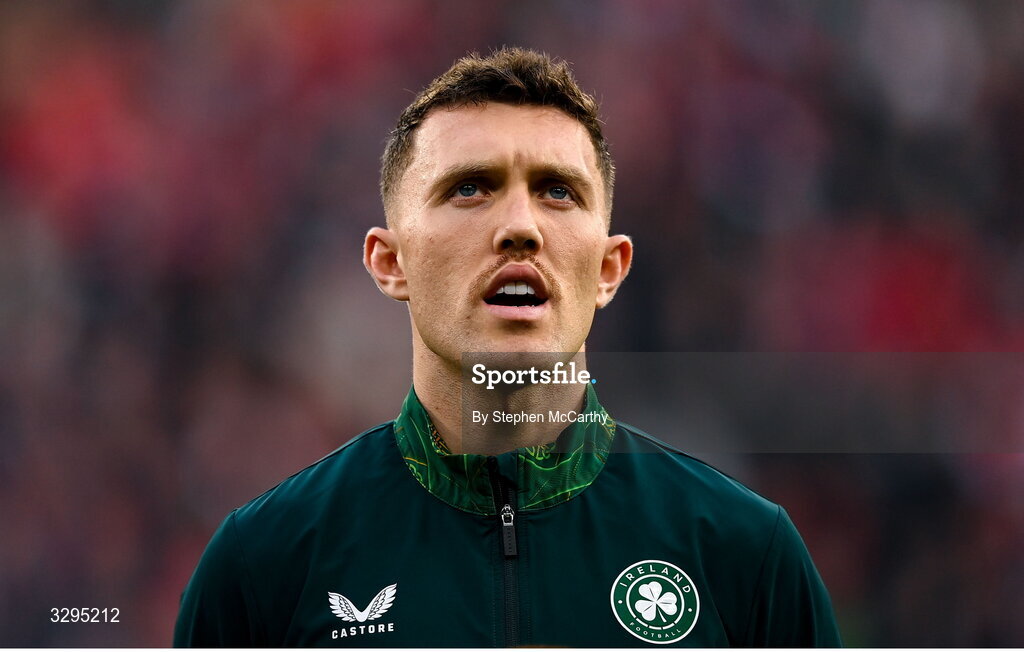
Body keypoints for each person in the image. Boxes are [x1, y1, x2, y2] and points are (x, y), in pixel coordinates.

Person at [173, 47, 841, 647]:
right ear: (389, 262)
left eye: (557, 191)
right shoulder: (262, 566)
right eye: (470, 188)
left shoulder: (746, 555)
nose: (519, 226)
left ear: (609, 269)